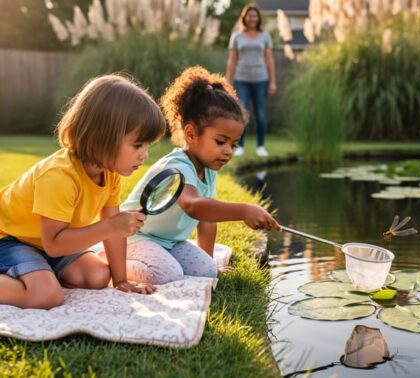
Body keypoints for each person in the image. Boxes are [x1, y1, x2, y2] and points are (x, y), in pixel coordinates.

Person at [0, 74, 165, 309]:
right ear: (101, 138)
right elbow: (55, 245)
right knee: (47, 296)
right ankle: (34, 276)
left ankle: (36, 272)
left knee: (98, 277)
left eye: (147, 146)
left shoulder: (110, 173)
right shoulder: (59, 177)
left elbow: (113, 230)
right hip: (10, 239)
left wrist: (121, 280)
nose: (144, 155)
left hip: (43, 244)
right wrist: (111, 226)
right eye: (137, 145)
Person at [119, 66, 280, 284]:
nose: (228, 151)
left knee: (207, 271)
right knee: (168, 274)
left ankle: (173, 262)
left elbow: (206, 219)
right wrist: (243, 210)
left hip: (169, 241)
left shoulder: (208, 169)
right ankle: (113, 264)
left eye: (234, 144)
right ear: (191, 134)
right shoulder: (179, 167)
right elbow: (193, 206)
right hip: (134, 237)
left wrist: (209, 258)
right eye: (221, 142)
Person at [226, 3, 276, 157]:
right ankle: (239, 146)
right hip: (241, 79)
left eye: (255, 16)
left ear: (258, 18)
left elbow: (270, 60)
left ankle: (261, 146)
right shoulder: (237, 36)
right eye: (249, 16)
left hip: (261, 80)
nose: (252, 18)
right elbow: (232, 61)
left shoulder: (265, 36)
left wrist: (273, 81)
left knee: (261, 114)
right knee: (241, 113)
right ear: (245, 18)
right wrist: (228, 81)